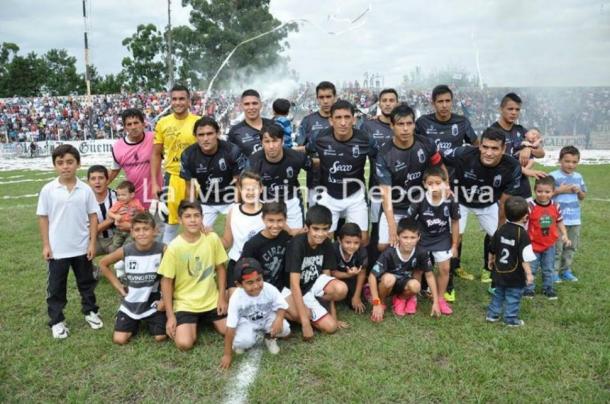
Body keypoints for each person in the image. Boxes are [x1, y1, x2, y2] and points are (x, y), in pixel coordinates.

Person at [36, 144, 102, 339]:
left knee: (86, 283)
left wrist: (92, 243)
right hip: (58, 250)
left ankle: (91, 311)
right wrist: (46, 245)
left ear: (78, 164)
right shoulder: (48, 190)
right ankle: (57, 320)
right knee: (56, 287)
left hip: (81, 247)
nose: (65, 166)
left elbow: (93, 217)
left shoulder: (86, 190)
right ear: (55, 166)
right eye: (60, 163)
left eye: (70, 162)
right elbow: (43, 218)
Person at [415, 84, 479, 283]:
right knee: (428, 222)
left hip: (455, 182)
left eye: (447, 101)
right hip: (429, 181)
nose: (444, 105)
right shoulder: (423, 122)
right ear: (433, 103)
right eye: (440, 101)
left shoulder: (462, 122)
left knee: (454, 223)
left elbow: (477, 146)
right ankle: (425, 266)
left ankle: (454, 265)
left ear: (452, 102)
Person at [442, 128, 522, 284]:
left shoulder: (512, 167)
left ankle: (490, 272)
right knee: (454, 237)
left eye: (494, 148)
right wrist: (445, 182)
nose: (488, 153)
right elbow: (436, 157)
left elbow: (504, 203)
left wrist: (499, 232)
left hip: (488, 203)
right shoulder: (463, 153)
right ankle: (450, 277)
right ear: (479, 145)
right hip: (459, 200)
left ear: (503, 149)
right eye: (485, 147)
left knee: (501, 238)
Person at [158, 201, 228, 351]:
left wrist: (221, 297)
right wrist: (170, 316)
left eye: (196, 215)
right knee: (184, 343)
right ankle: (191, 323)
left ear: (202, 217)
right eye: (188, 216)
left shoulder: (212, 238)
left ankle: (203, 320)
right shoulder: (174, 247)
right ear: (180, 219)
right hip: (185, 303)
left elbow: (221, 268)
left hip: (211, 301)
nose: (193, 220)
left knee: (229, 331)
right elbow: (166, 282)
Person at [375, 103, 445, 252]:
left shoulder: (426, 144)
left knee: (422, 244)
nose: (405, 128)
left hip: (421, 205)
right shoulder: (384, 154)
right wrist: (392, 226)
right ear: (392, 126)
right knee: (383, 246)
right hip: (396, 207)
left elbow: (440, 167)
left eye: (409, 123)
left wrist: (446, 186)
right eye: (400, 124)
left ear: (414, 125)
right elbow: (385, 194)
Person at [309, 100, 378, 243]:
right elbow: (306, 151)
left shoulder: (365, 139)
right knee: (323, 240)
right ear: (331, 120)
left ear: (354, 119)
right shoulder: (319, 137)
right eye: (338, 117)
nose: (343, 122)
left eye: (347, 117)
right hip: (328, 195)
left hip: (355, 195)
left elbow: (381, 157)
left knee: (362, 240)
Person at [99, 213, 167, 345]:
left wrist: (164, 299)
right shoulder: (126, 250)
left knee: (160, 337)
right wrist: (119, 287)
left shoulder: (162, 249)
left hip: (153, 303)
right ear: (132, 233)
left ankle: (148, 319)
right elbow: (103, 264)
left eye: (146, 229)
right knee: (119, 339)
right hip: (131, 303)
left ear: (154, 231)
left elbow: (171, 275)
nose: (142, 233)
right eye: (137, 230)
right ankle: (132, 321)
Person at [286, 205, 348, 340]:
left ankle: (315, 306)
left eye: (325, 229)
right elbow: (294, 285)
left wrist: (333, 315)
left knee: (341, 289)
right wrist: (305, 323)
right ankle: (289, 311)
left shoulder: (326, 243)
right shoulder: (297, 245)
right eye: (316, 229)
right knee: (310, 318)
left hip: (312, 285)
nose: (320, 234)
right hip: (293, 290)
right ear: (307, 227)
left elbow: (327, 278)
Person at [406, 166, 459, 315]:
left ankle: (440, 298)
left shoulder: (451, 199)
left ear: (445, 183)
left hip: (442, 237)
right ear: (424, 184)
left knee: (445, 269)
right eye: (430, 183)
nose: (434, 186)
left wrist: (455, 244)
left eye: (438, 183)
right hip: (423, 237)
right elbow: (409, 221)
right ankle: (413, 298)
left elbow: (455, 221)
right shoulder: (419, 198)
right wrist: (412, 239)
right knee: (418, 269)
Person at [151, 84, 200, 243]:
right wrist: (154, 183)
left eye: (182, 99)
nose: (178, 102)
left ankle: (196, 255)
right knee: (170, 224)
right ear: (170, 101)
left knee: (196, 221)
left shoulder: (198, 122)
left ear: (189, 101)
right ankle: (168, 257)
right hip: (172, 177)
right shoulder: (162, 123)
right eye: (174, 99)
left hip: (196, 179)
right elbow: (156, 154)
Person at [220, 258, 291, 369]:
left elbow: (281, 305)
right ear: (239, 284)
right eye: (250, 282)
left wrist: (279, 319)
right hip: (247, 322)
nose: (256, 285)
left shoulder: (269, 289)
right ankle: (241, 341)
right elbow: (230, 327)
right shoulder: (236, 299)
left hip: (267, 318)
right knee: (243, 342)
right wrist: (227, 354)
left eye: (259, 279)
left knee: (285, 329)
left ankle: (269, 338)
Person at [368, 217, 440, 322]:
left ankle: (401, 298)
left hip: (405, 284)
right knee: (389, 279)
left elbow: (429, 275)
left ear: (419, 237)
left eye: (413, 237)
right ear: (398, 236)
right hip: (388, 284)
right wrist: (376, 302)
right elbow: (371, 276)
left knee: (416, 286)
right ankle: (382, 302)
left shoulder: (421, 252)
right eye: (405, 237)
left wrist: (436, 302)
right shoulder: (389, 252)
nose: (409, 241)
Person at [180, 116, 246, 229]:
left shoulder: (232, 150)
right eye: (201, 135)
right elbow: (190, 187)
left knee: (238, 230)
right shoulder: (188, 155)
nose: (205, 139)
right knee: (196, 231)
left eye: (209, 134)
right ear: (195, 136)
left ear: (218, 133)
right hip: (206, 200)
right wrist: (193, 212)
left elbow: (239, 184)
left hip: (231, 200)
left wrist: (237, 208)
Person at [360, 88, 399, 270]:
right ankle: (374, 269)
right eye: (384, 100)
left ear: (397, 103)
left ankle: (398, 266)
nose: (388, 103)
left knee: (402, 228)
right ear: (379, 103)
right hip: (377, 188)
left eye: (392, 100)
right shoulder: (368, 126)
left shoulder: (403, 124)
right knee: (376, 228)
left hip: (404, 190)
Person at [248, 124, 311, 230]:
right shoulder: (254, 161)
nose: (271, 146)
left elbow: (314, 168)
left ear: (282, 141)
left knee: (296, 235)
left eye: (275, 141)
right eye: (267, 141)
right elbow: (246, 185)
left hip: (291, 201)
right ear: (261, 142)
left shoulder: (297, 157)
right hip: (265, 202)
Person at [486, 196, 536, 327]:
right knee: (513, 296)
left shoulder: (500, 229)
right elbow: (525, 258)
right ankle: (510, 319)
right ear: (525, 217)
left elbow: (492, 247)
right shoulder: (523, 234)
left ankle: (492, 315)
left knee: (498, 293)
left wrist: (490, 260)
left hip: (499, 270)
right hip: (515, 274)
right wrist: (529, 274)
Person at [524, 176, 571, 300]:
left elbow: (560, 221)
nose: (543, 195)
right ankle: (528, 289)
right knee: (531, 268)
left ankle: (548, 288)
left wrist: (565, 234)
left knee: (548, 268)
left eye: (547, 192)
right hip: (533, 245)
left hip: (549, 245)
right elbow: (523, 223)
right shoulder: (530, 206)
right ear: (535, 190)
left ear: (553, 191)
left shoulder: (556, 206)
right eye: (539, 191)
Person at [109, 108, 163, 210]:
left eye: (136, 123)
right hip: (133, 201)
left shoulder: (155, 138)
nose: (133, 127)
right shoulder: (117, 147)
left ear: (143, 124)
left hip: (156, 198)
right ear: (125, 127)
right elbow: (114, 171)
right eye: (129, 124)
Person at [295, 81, 336, 207]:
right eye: (321, 97)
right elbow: (299, 150)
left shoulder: (343, 119)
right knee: (315, 215)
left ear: (335, 97)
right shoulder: (308, 121)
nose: (325, 101)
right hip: (315, 180)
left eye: (328, 97)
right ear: (317, 98)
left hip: (339, 180)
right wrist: (312, 162)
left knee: (339, 217)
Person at [222, 171, 266, 289]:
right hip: (237, 262)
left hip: (261, 264)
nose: (250, 192)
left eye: (254, 188)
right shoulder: (233, 211)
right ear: (240, 189)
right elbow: (227, 242)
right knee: (234, 297)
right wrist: (210, 237)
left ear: (261, 189)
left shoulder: (268, 210)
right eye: (247, 188)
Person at [551, 145, 587, 282]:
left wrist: (579, 191)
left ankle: (566, 270)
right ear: (560, 160)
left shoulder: (578, 177)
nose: (570, 165)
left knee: (570, 246)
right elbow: (544, 195)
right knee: (557, 247)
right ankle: (553, 272)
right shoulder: (553, 176)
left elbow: (583, 196)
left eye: (574, 162)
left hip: (574, 219)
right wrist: (559, 190)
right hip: (558, 220)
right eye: (567, 161)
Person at [241, 202, 293, 294]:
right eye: (271, 220)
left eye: (279, 220)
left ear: (285, 220)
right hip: (260, 291)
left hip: (282, 289)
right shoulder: (252, 245)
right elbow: (243, 271)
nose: (275, 225)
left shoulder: (286, 237)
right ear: (263, 219)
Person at [331, 223, 368, 314]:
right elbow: (332, 273)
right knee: (338, 290)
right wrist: (348, 274)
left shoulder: (362, 251)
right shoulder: (333, 249)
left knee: (356, 306)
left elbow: (362, 273)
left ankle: (359, 292)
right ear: (339, 240)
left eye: (356, 243)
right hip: (335, 278)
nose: (352, 246)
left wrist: (357, 296)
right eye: (348, 242)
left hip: (352, 278)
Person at [228, 89, 275, 156]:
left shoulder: (273, 124)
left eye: (254, 103)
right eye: (247, 104)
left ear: (261, 104)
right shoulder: (235, 131)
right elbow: (231, 157)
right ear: (241, 106)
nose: (251, 107)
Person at [87, 165, 117, 257]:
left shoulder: (118, 197)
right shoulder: (83, 201)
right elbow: (85, 233)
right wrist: (109, 221)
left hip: (116, 239)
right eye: (93, 179)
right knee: (77, 252)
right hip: (94, 240)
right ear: (88, 182)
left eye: (101, 178)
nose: (97, 182)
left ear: (107, 180)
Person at [107, 180, 145, 252]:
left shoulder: (136, 203)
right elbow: (109, 212)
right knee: (115, 245)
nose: (120, 197)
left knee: (128, 245)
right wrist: (115, 216)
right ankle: (113, 253)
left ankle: (124, 255)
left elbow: (142, 212)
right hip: (119, 230)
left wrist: (137, 212)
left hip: (131, 231)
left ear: (132, 195)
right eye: (118, 195)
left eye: (123, 195)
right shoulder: (119, 203)